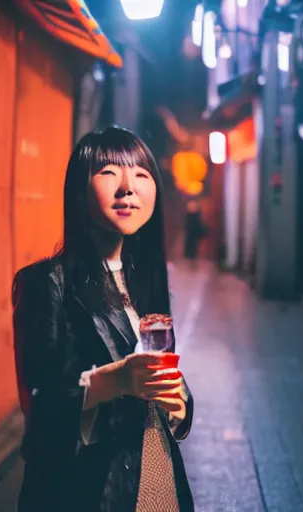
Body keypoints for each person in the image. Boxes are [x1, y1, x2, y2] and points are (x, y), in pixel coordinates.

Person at [12, 126, 195, 511]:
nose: (128, 188)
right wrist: (113, 381)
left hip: (156, 470)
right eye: (110, 172)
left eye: (142, 175)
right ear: (79, 191)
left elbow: (162, 382)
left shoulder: (146, 282)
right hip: (90, 490)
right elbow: (40, 405)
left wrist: (178, 402)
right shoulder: (48, 283)